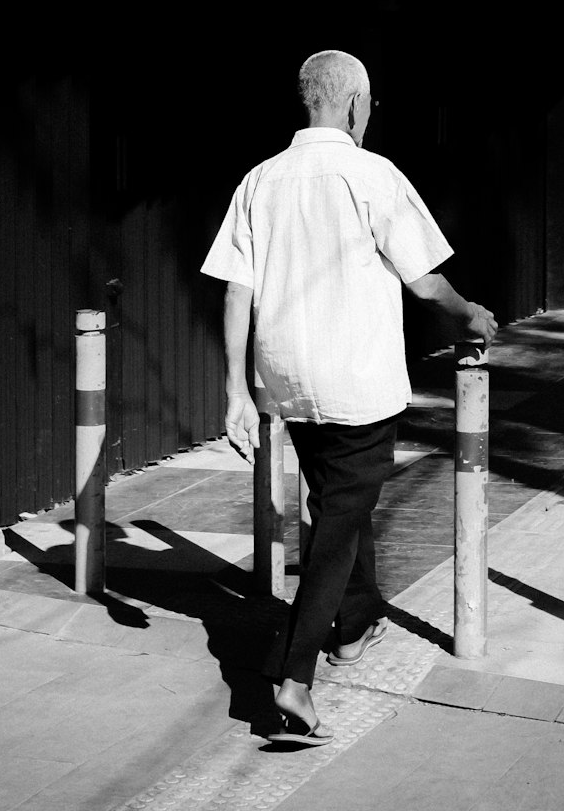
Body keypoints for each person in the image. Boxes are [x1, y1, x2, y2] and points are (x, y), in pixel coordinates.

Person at [200, 49, 497, 746]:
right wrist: (471, 315)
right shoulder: (375, 175)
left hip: (289, 380)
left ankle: (356, 621)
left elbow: (236, 289)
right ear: (357, 104)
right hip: (359, 382)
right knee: (338, 520)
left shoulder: (260, 180)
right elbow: (425, 283)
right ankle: (291, 678)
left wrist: (236, 390)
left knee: (338, 500)